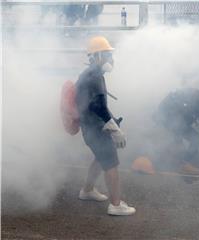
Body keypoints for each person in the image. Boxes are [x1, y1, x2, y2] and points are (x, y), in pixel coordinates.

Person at [75, 36, 136, 216]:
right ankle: (116, 205)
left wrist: (112, 120)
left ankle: (87, 190)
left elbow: (96, 104)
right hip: (94, 128)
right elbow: (97, 106)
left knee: (100, 157)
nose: (111, 59)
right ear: (97, 55)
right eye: (107, 54)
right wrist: (114, 129)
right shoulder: (94, 76)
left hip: (90, 126)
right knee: (111, 162)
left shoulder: (90, 74)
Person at [156, 78, 199, 175]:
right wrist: (177, 137)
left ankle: (183, 164)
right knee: (184, 139)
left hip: (177, 121)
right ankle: (180, 164)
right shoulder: (190, 95)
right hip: (167, 117)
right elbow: (174, 113)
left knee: (196, 139)